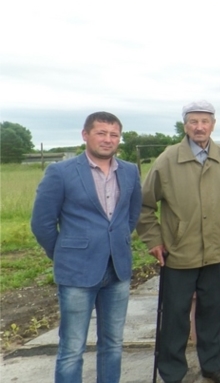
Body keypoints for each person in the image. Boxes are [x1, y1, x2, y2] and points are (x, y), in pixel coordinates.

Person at [31, 111, 142, 383]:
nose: (108, 139)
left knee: (113, 343)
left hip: (117, 270)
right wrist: (64, 253)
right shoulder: (60, 172)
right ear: (85, 135)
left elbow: (131, 215)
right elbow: (42, 223)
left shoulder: (129, 171)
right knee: (72, 347)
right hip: (77, 272)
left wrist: (118, 240)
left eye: (114, 135)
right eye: (101, 133)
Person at [137, 101, 220, 383]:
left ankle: (212, 366)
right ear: (185, 126)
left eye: (205, 121)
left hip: (216, 252)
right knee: (175, 317)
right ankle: (172, 371)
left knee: (213, 315)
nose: (199, 127)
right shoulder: (167, 159)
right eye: (193, 121)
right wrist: (154, 240)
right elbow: (143, 206)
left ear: (213, 124)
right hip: (178, 253)